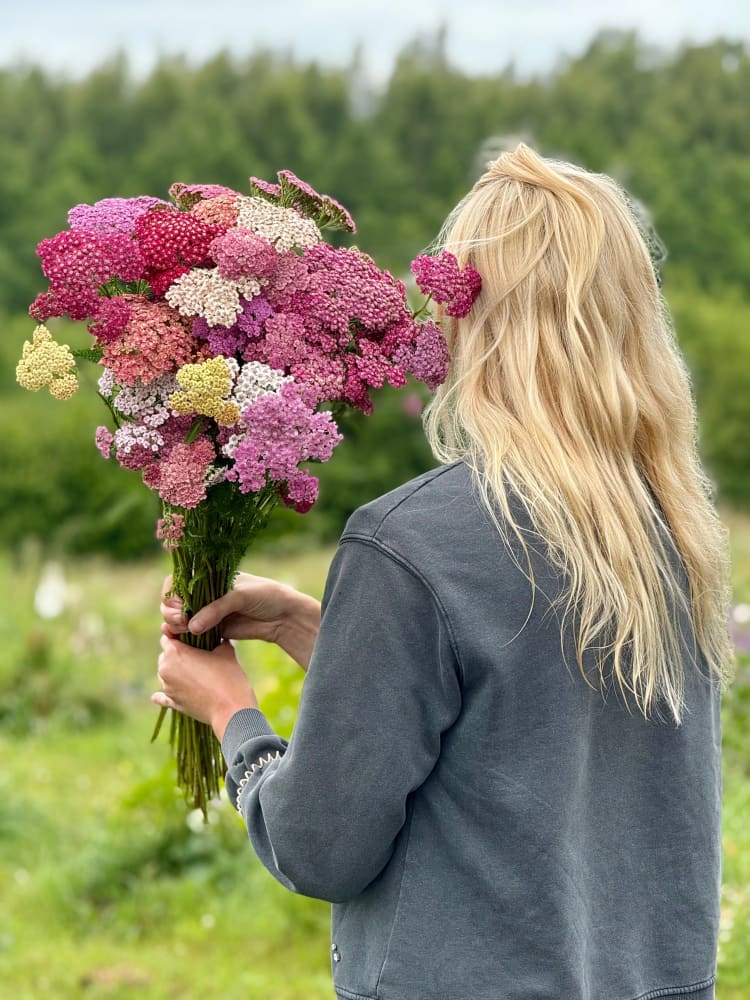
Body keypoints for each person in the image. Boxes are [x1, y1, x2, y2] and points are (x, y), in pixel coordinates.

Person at [153, 143, 734, 1000]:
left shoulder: (411, 544)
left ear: (475, 319)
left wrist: (232, 715)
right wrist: (318, 634)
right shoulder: (672, 532)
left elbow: (320, 847)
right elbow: (513, 736)